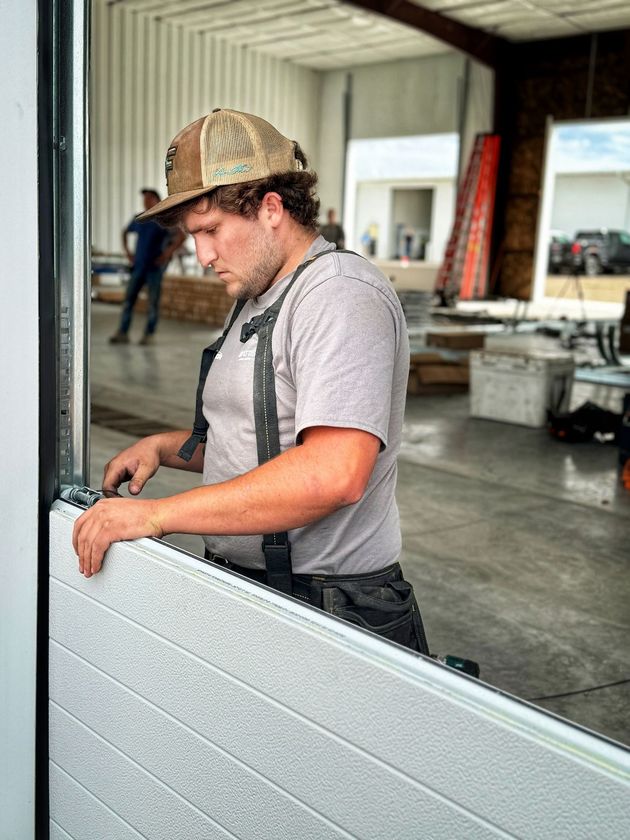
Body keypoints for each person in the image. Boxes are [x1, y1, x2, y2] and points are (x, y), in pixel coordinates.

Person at [74, 108, 429, 655]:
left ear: (270, 208)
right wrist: (167, 448)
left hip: (331, 605)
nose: (203, 254)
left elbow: (333, 473)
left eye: (212, 231)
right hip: (256, 589)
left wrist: (158, 515)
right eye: (194, 236)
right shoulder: (255, 296)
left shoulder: (339, 295)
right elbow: (267, 440)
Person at [109, 188, 186, 345]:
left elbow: (181, 235)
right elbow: (125, 232)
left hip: (154, 268)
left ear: (156, 200)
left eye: (149, 198)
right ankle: (123, 332)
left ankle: (149, 334)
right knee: (129, 300)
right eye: (144, 199)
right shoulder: (140, 218)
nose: (145, 201)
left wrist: (166, 254)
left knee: (152, 302)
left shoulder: (163, 218)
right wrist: (128, 252)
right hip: (138, 266)